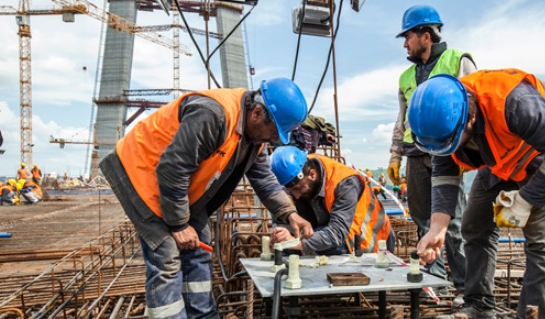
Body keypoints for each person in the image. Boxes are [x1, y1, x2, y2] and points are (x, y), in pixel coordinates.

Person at [99, 77, 313, 319]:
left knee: (200, 247)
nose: (274, 140)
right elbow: (173, 168)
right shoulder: (214, 115)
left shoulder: (255, 138)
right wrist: (179, 224)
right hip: (141, 175)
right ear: (256, 113)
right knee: (167, 256)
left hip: (181, 188)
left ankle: (203, 316)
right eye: (274, 133)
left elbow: (264, 179)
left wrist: (290, 213)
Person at [409, 70, 545, 319]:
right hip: (501, 158)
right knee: (474, 225)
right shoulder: (440, 121)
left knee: (540, 241)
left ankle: (534, 315)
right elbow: (445, 173)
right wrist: (438, 228)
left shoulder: (516, 103)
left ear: (470, 120)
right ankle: (478, 305)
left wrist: (526, 200)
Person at [387, 4, 472, 303]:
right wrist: (395, 156)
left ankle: (464, 285)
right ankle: (436, 282)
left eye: (408, 36)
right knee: (424, 219)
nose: (405, 43)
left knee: (453, 223)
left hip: (448, 152)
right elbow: (402, 118)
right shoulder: (405, 77)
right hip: (415, 153)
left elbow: (473, 105)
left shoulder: (457, 60)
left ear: (426, 35)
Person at [269, 146, 395, 255]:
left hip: (368, 238)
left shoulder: (345, 183)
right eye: (291, 191)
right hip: (330, 230)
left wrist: (296, 243)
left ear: (312, 174)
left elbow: (337, 233)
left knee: (326, 248)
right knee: (286, 249)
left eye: (299, 188)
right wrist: (281, 234)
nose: (296, 196)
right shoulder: (292, 174)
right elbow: (282, 215)